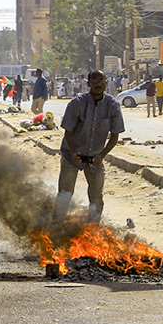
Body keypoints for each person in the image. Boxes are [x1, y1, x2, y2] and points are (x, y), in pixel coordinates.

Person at [55, 70, 125, 223]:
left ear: (106, 83)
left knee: (96, 198)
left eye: (101, 81)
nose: (98, 84)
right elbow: (68, 133)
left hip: (95, 158)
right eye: (94, 82)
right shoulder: (77, 103)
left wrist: (102, 155)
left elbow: (114, 136)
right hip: (72, 156)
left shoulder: (112, 105)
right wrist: (74, 152)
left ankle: (93, 229)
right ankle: (56, 227)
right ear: (88, 84)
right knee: (65, 194)